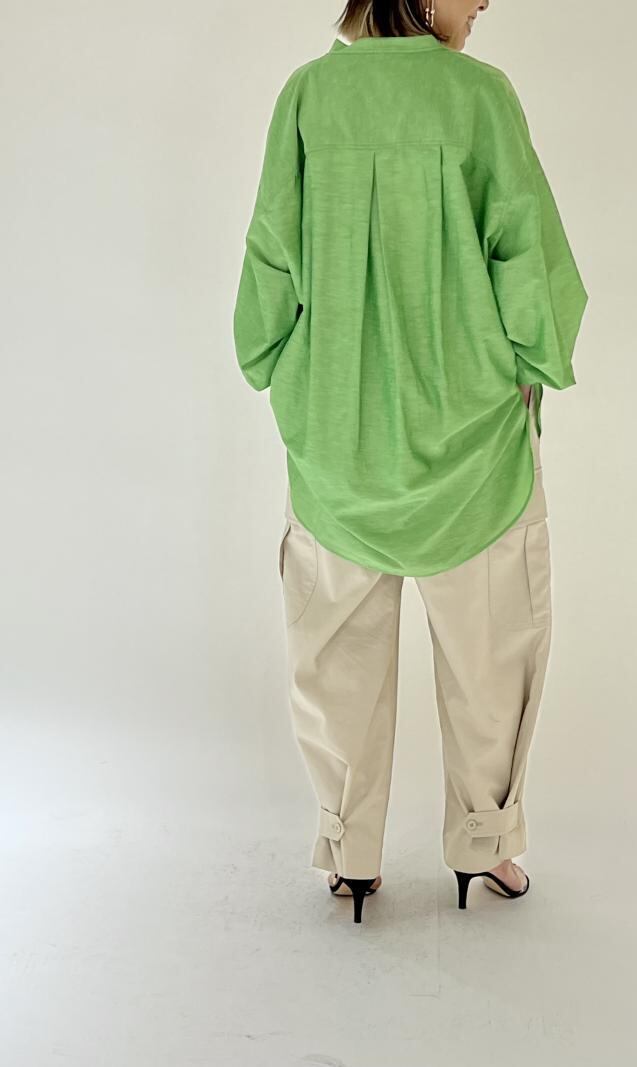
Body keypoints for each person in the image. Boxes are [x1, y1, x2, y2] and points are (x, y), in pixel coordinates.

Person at [232, 0, 588, 924]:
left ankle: (349, 852)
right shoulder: (479, 97)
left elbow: (271, 256)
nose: (486, 1)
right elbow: (527, 252)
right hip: (473, 441)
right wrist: (534, 365)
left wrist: (275, 367)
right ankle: (485, 839)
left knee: (334, 660)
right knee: (493, 655)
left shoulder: (307, 97)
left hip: (338, 436)